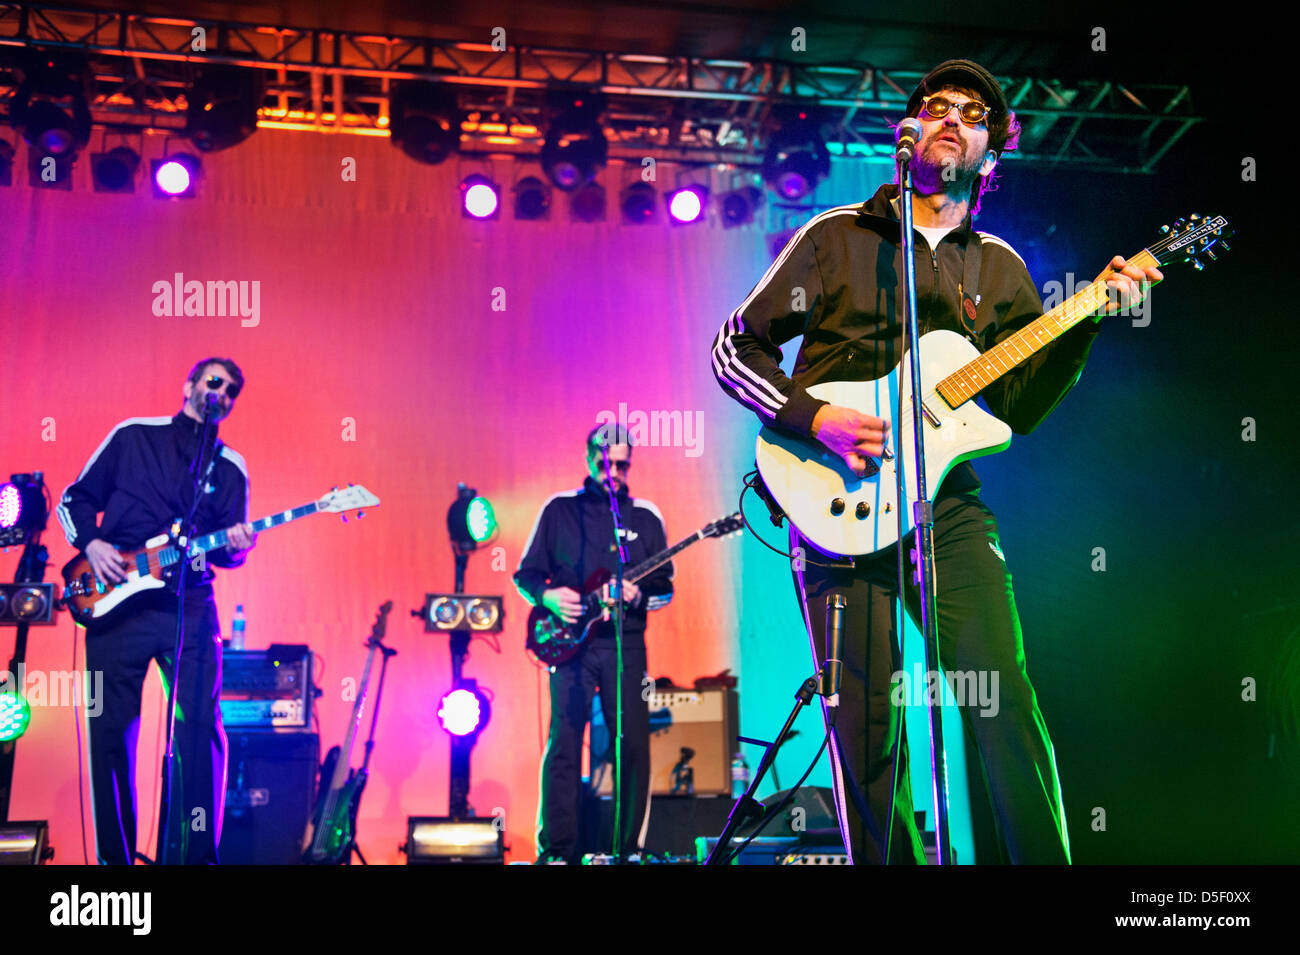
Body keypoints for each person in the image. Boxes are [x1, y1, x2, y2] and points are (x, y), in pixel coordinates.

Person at [711, 59, 1161, 864]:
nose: (953, 115)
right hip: (836, 504)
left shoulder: (997, 265)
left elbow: (1020, 404)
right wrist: (819, 418)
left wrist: (1090, 316)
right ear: (908, 132)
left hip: (947, 510)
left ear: (991, 153)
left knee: (1004, 705)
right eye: (937, 105)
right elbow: (731, 349)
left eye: (974, 113)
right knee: (867, 734)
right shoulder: (836, 237)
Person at [57, 358, 256, 864]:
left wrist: (237, 546)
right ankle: (115, 866)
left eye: (231, 391)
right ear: (189, 386)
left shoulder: (230, 467)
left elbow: (228, 551)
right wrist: (93, 543)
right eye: (214, 382)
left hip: (187, 603)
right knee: (109, 732)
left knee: (198, 730)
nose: (221, 393)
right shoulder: (133, 437)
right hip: (113, 599)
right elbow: (73, 500)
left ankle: (195, 858)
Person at [514, 425, 674, 863]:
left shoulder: (645, 517)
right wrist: (547, 596)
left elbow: (666, 588)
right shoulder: (559, 510)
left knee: (632, 744)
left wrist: (638, 595)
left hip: (625, 644)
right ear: (590, 459)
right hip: (569, 648)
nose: (615, 472)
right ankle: (557, 852)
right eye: (607, 463)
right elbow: (525, 575)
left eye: (622, 464)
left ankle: (627, 851)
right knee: (564, 742)